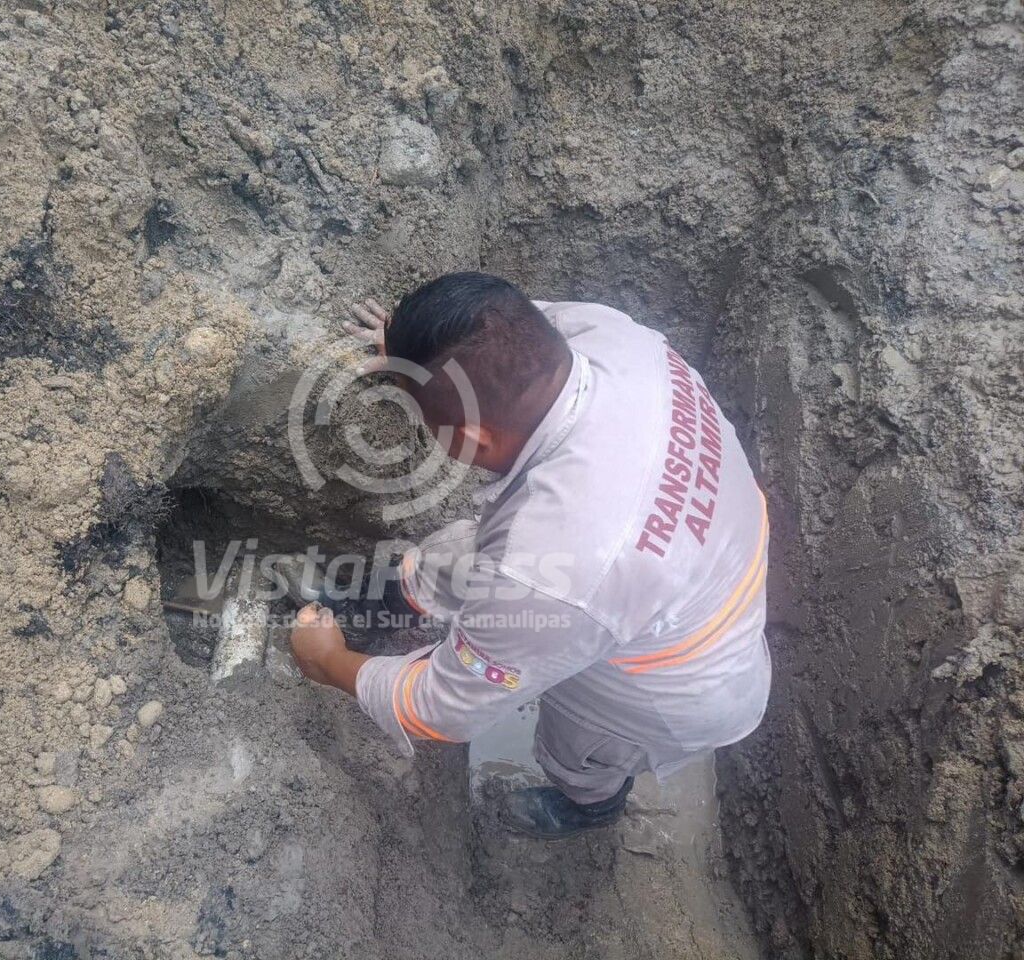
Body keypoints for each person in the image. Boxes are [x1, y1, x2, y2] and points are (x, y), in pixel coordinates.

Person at [288, 272, 771, 839]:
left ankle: (589, 806)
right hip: (679, 576)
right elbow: (492, 330)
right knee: (464, 553)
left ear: (470, 440)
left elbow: (443, 710)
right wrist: (410, 356)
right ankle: (382, 605)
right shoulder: (610, 335)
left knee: (577, 751)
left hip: (670, 688)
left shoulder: (553, 568)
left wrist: (328, 663)